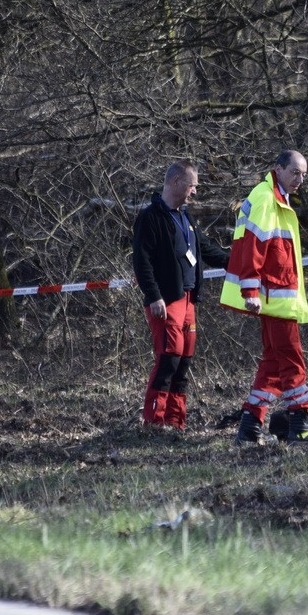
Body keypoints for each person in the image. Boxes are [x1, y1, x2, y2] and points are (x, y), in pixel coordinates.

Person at [220, 150, 308, 446]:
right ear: (278, 169)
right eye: (295, 172)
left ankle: (250, 426)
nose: (300, 179)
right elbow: (253, 246)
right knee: (292, 362)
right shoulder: (266, 198)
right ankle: (302, 425)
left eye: (304, 174)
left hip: (276, 296)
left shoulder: (274, 196)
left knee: (272, 363)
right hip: (273, 297)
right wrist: (250, 291)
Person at [132, 160, 229, 431]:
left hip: (188, 300)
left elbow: (206, 250)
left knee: (184, 361)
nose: (195, 191)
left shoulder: (187, 218)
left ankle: (176, 421)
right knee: (168, 358)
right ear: (176, 182)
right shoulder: (150, 217)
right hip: (166, 300)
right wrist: (154, 296)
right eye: (192, 185)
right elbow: (142, 262)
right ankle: (154, 421)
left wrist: (238, 263)